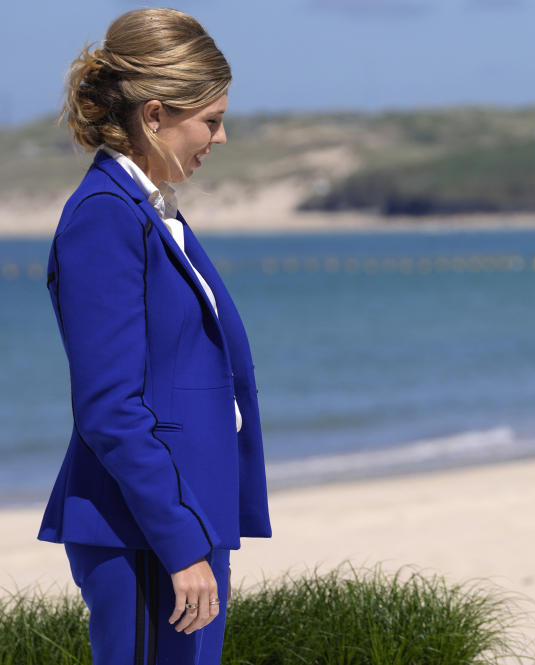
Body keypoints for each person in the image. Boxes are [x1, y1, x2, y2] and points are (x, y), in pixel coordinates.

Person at [40, 9, 271, 664]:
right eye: (211, 119)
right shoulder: (105, 216)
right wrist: (180, 540)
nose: (220, 138)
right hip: (143, 530)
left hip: (184, 516)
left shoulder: (151, 207)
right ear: (153, 115)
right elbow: (111, 408)